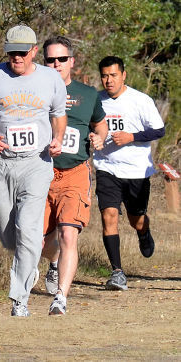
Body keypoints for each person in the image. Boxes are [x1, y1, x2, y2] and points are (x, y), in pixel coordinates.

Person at [0, 25, 67, 317]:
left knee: (29, 228)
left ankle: (20, 298)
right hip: (1, 163)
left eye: (22, 53)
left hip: (37, 162)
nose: (16, 58)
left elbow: (59, 115)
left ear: (34, 51)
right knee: (9, 235)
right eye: (11, 53)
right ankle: (28, 263)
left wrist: (57, 139)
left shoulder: (50, 79)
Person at [39, 36, 108, 315]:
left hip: (75, 172)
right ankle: (53, 263)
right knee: (42, 243)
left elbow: (101, 125)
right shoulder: (34, 92)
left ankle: (60, 298)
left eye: (62, 59)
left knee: (69, 233)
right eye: (50, 60)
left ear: (72, 62)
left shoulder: (88, 94)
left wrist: (98, 137)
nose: (56, 64)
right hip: (41, 172)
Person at [94, 56, 165, 290]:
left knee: (136, 220)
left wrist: (131, 137)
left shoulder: (140, 100)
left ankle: (144, 232)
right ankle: (117, 273)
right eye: (104, 75)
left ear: (123, 75)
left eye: (113, 75)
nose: (108, 80)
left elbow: (159, 130)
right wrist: (92, 138)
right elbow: (89, 127)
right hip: (107, 167)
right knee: (109, 216)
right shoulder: (97, 101)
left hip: (136, 170)